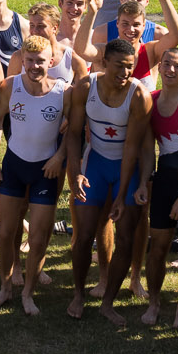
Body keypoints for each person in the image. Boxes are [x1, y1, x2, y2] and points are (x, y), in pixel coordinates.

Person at [0, 31, 69, 315]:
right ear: (22, 60)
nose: (35, 66)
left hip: (45, 172)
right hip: (14, 166)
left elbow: (74, 131)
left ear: (52, 60)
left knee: (38, 237)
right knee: (5, 233)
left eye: (41, 61)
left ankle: (28, 293)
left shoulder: (63, 91)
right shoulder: (10, 86)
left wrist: (60, 156)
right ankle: (6, 288)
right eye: (29, 60)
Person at [68, 36, 149, 324]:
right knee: (83, 236)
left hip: (127, 167)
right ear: (104, 63)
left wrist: (122, 192)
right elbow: (74, 133)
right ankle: (78, 294)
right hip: (95, 164)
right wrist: (75, 172)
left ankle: (108, 302)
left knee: (126, 239)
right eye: (118, 67)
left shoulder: (139, 95)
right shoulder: (85, 87)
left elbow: (133, 148)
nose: (124, 74)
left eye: (130, 67)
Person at [138, 41, 178, 328]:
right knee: (158, 247)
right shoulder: (151, 100)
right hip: (163, 182)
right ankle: (154, 301)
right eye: (166, 64)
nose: (171, 69)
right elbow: (149, 150)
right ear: (159, 67)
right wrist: (143, 183)